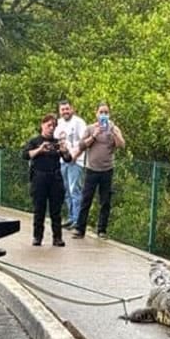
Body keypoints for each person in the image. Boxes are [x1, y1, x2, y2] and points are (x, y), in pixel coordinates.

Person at [72, 102, 124, 239]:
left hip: (107, 170)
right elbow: (82, 145)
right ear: (96, 113)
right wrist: (94, 135)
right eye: (101, 112)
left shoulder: (114, 129)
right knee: (86, 199)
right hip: (91, 169)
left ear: (109, 114)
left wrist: (114, 133)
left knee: (105, 201)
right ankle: (79, 228)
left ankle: (102, 230)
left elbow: (121, 145)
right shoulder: (90, 128)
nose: (103, 115)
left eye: (106, 112)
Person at [21, 113, 70, 246]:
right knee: (39, 209)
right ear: (42, 125)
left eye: (53, 126)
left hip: (54, 177)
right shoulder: (35, 141)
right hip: (39, 177)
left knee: (56, 210)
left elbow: (68, 158)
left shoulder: (57, 142)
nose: (51, 128)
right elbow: (25, 155)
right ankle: (37, 237)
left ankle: (57, 237)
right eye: (49, 125)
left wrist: (64, 150)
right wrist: (40, 150)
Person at [55, 100, 88, 229]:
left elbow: (84, 142)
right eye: (63, 109)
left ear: (72, 109)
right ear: (60, 111)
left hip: (75, 161)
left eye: (67, 109)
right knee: (66, 190)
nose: (65, 112)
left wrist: (75, 155)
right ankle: (71, 216)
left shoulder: (79, 123)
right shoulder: (59, 123)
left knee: (75, 190)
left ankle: (77, 219)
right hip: (62, 161)